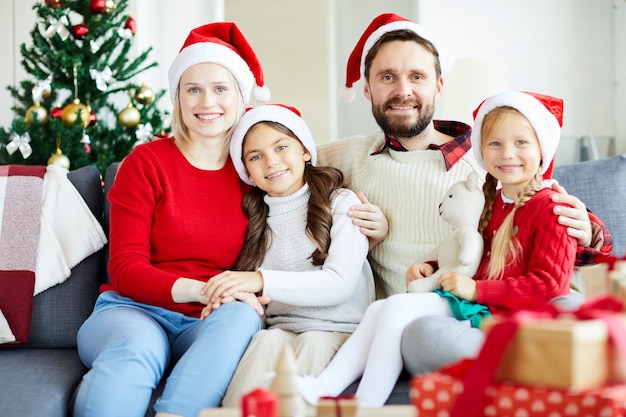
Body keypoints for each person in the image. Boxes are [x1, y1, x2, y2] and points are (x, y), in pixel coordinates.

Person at [312, 13, 611, 377]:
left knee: (577, 315)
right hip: (432, 315)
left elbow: (564, 246)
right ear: (367, 89)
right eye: (387, 77)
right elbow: (280, 155)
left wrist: (590, 229)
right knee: (425, 339)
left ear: (439, 86)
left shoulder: (491, 156)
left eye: (416, 77)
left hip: (506, 302)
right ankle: (537, 362)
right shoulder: (355, 156)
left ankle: (536, 355)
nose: (402, 90)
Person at [298, 90, 578, 407]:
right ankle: (322, 387)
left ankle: (365, 405)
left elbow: (550, 285)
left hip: (512, 316)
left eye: (521, 143)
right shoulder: (494, 200)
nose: (507, 153)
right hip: (483, 305)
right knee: (381, 308)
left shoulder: (552, 208)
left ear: (543, 149)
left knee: (398, 309)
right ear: (482, 152)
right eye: (495, 143)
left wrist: (477, 290)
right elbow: (468, 246)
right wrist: (431, 264)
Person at [73, 22, 271, 417]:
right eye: (192, 89)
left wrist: (364, 219)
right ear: (178, 97)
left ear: (240, 97)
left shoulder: (257, 172)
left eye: (220, 89)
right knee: (137, 348)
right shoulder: (146, 163)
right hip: (130, 310)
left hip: (209, 320)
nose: (206, 102)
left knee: (240, 317)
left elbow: (312, 189)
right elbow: (126, 269)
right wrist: (203, 291)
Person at [196, 104, 375, 406]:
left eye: (281, 147)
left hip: (339, 331)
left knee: (313, 343)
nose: (271, 162)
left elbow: (340, 284)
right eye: (256, 156)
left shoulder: (342, 202)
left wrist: (257, 280)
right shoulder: (253, 220)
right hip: (281, 328)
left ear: (305, 150)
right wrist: (230, 296)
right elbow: (257, 299)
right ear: (247, 171)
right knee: (265, 341)